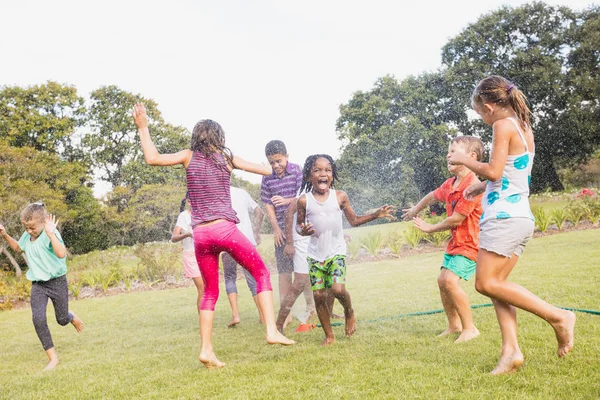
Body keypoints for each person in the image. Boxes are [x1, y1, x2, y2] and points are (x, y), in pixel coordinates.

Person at [132, 103, 294, 369]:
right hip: (224, 229)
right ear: (220, 138)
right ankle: (271, 331)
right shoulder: (227, 159)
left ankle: (206, 350)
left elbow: (152, 158)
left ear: (196, 137)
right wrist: (263, 161)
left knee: (210, 291)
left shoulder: (187, 156)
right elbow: (266, 171)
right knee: (261, 272)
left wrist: (143, 127)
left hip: (201, 235)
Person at [447, 76, 575, 374]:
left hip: (504, 218)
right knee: (498, 287)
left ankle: (558, 317)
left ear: (489, 107)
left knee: (485, 283)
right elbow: (509, 172)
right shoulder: (523, 126)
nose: (482, 117)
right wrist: (479, 188)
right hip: (517, 215)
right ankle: (511, 353)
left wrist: (465, 159)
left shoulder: (502, 125)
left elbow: (493, 171)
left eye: (480, 112)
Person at [295, 154, 395, 345]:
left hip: (336, 252)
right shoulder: (304, 201)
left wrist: (376, 214)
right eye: (317, 170)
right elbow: (299, 226)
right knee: (318, 295)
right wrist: (303, 231)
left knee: (338, 289)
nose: (323, 173)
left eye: (327, 170)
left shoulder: (339, 197)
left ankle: (349, 311)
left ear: (332, 175)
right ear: (309, 176)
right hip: (315, 255)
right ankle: (329, 335)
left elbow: (354, 220)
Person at [403, 136, 485, 343]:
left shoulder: (472, 186)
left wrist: (431, 228)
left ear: (471, 157)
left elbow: (457, 219)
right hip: (456, 244)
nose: (448, 155)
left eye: (454, 151)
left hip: (471, 244)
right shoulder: (451, 184)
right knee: (442, 281)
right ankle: (454, 325)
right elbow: (432, 195)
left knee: (449, 280)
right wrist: (415, 209)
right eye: (448, 151)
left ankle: (470, 328)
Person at [0, 202, 84, 371]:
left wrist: (51, 234)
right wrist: (4, 234)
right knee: (38, 319)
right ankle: (53, 359)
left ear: (44, 221)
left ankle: (70, 316)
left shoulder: (50, 233)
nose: (29, 231)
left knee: (61, 320)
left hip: (57, 281)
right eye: (26, 228)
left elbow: (61, 254)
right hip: (38, 284)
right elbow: (18, 248)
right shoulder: (27, 235)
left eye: (32, 227)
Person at [260, 140, 313, 324]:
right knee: (284, 272)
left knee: (303, 271)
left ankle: (310, 307)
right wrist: (276, 229)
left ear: (287, 157)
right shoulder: (267, 177)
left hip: (299, 228)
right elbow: (268, 204)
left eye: (279, 161)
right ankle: (286, 312)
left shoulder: (297, 170)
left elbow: (303, 196)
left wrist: (286, 200)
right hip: (281, 231)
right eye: (272, 162)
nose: (276, 166)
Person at [221, 185, 265, 327]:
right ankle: (262, 315)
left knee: (230, 277)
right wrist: (256, 232)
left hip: (227, 239)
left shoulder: (215, 193)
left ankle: (235, 315)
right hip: (246, 240)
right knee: (252, 277)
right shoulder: (242, 193)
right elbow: (260, 212)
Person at [171, 195, 204, 314]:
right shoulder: (184, 216)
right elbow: (174, 237)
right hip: (191, 256)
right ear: (189, 201)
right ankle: (203, 321)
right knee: (202, 288)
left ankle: (208, 317)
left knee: (209, 288)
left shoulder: (204, 213)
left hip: (205, 254)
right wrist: (188, 234)